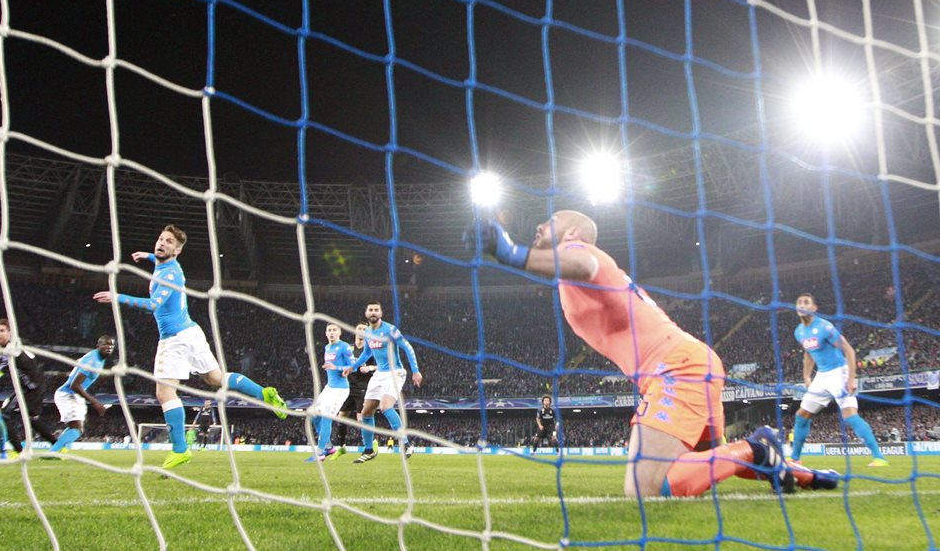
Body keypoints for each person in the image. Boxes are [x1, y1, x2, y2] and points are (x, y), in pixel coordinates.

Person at [475, 210, 839, 496]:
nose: (540, 225)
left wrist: (510, 253)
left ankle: (757, 446)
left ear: (572, 234)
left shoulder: (580, 253)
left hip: (675, 369)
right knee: (706, 461)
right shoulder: (570, 276)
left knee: (645, 487)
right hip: (691, 361)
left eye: (551, 221)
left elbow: (583, 263)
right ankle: (805, 475)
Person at [93, 224, 288, 470]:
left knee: (164, 392)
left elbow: (154, 305)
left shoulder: (170, 274)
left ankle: (179, 449)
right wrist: (148, 256)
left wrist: (117, 297)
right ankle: (264, 393)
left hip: (175, 338)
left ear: (177, 251)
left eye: (169, 242)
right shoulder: (164, 264)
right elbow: (159, 259)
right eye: (161, 239)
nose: (162, 243)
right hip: (191, 332)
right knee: (216, 379)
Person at [789, 293, 889, 466]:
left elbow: (849, 350)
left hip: (839, 373)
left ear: (814, 308)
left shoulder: (825, 327)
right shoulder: (799, 331)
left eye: (806, 302)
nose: (802, 305)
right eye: (799, 302)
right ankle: (795, 458)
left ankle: (879, 457)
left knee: (849, 416)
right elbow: (808, 353)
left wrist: (851, 378)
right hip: (822, 376)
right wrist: (806, 376)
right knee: (801, 415)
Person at [343, 301, 423, 464]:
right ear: (366, 313)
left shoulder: (390, 330)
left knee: (385, 406)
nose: (373, 312)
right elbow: (366, 354)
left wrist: (415, 370)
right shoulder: (367, 333)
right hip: (379, 374)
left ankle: (406, 444)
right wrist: (353, 367)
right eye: (370, 310)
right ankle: (369, 450)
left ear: (381, 313)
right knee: (365, 413)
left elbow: (408, 348)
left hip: (395, 372)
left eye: (376, 310)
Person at [0, 319, 58, 452]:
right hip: (37, 386)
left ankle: (19, 452)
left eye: (2, 331)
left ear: (10, 333)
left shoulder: (10, 350)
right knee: (32, 419)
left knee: (2, 417)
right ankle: (58, 446)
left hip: (29, 389)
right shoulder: (16, 346)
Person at [48, 335, 116, 454]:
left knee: (76, 428)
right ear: (98, 346)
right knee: (77, 429)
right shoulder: (93, 360)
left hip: (75, 395)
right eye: (105, 344)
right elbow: (74, 385)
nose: (109, 347)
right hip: (68, 394)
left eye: (111, 345)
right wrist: (95, 403)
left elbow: (79, 364)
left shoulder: (96, 357)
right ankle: (52, 452)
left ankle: (58, 450)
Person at [305, 323, 358, 462]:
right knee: (313, 415)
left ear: (339, 332)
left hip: (340, 389)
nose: (332, 332)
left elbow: (354, 366)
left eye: (334, 330)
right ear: (326, 333)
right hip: (329, 388)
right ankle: (328, 447)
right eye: (329, 330)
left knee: (326, 417)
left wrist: (337, 367)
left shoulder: (344, 347)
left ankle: (320, 452)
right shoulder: (327, 347)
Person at [333, 322, 374, 456]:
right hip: (347, 387)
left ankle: (370, 445)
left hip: (363, 387)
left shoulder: (370, 350)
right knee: (341, 416)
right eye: (359, 328)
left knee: (361, 417)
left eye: (364, 329)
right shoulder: (348, 348)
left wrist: (370, 368)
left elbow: (382, 365)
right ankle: (342, 447)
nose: (361, 331)